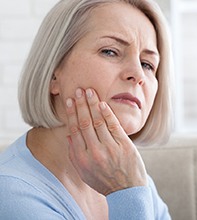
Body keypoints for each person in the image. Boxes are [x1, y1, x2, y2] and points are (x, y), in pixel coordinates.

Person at [0, 0, 173, 219]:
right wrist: (126, 193)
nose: (138, 75)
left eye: (148, 64)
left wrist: (129, 189)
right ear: (54, 72)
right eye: (110, 51)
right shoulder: (10, 195)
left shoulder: (136, 181)